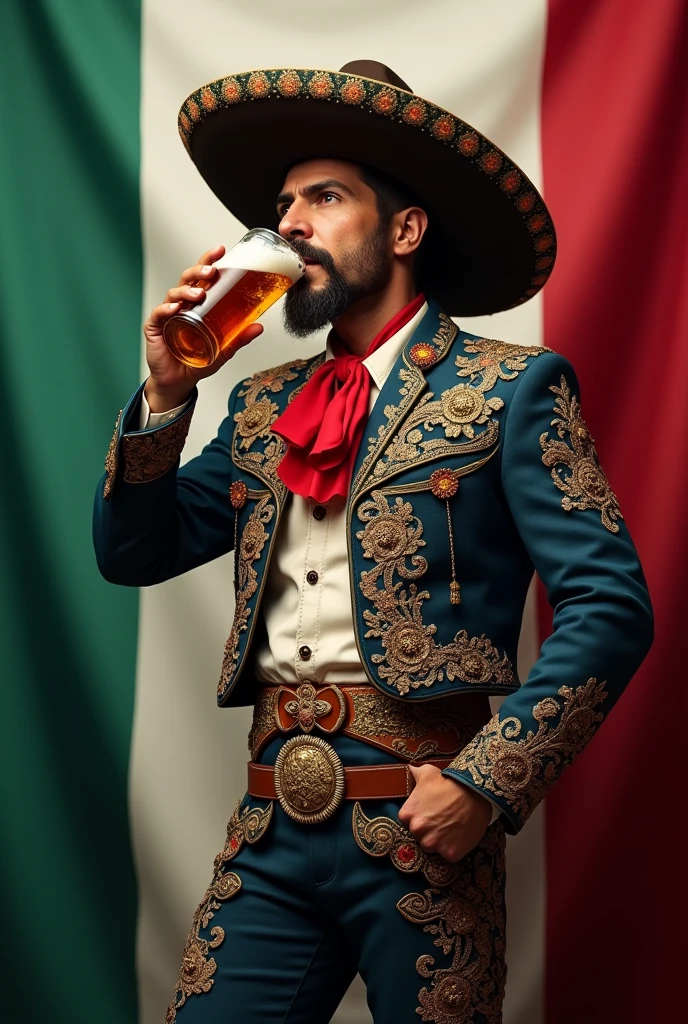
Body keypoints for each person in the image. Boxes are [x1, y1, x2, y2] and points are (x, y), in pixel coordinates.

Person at [93, 61, 653, 1024]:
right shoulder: (263, 405)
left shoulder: (511, 388)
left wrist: (487, 782)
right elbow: (132, 553)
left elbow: (611, 606)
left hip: (426, 831)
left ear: (404, 229)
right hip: (271, 823)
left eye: (325, 197)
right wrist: (168, 396)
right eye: (284, 204)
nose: (291, 224)